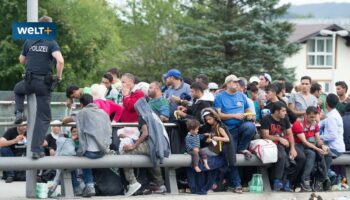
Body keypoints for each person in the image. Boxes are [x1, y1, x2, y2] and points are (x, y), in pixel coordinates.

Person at [13, 16, 64, 159]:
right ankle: (36, 150)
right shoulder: (51, 42)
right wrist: (58, 76)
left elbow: (21, 60)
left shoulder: (29, 40)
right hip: (43, 85)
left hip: (28, 82)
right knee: (43, 117)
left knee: (17, 89)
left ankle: (18, 112)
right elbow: (60, 61)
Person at [62, 94, 112, 197]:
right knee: (84, 154)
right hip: (103, 150)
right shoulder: (103, 113)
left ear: (81, 104)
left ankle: (80, 187)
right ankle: (88, 185)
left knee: (68, 155)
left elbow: (65, 120)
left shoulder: (82, 112)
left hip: (90, 152)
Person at [214, 74, 256, 193]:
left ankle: (242, 148)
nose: (237, 84)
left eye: (238, 82)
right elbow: (218, 115)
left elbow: (247, 109)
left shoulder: (241, 95)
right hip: (227, 129)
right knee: (231, 156)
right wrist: (233, 115)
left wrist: (249, 115)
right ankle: (236, 184)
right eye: (234, 82)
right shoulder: (219, 97)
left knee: (251, 127)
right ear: (227, 84)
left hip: (241, 126)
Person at [122, 98, 170, 196]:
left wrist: (133, 146)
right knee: (152, 156)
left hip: (151, 144)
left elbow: (145, 133)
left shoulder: (142, 116)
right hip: (161, 145)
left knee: (125, 153)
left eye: (136, 109)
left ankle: (132, 183)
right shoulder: (153, 115)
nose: (136, 111)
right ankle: (160, 185)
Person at [260, 102, 299, 192]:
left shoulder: (285, 119)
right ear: (277, 111)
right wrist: (279, 139)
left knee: (301, 157)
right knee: (282, 156)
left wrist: (292, 148)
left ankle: (288, 180)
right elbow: (265, 135)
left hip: (285, 143)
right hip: (272, 144)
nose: (285, 113)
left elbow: (290, 134)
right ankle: (277, 180)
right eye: (283, 111)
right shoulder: (266, 119)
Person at [291, 106, 330, 192]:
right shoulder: (298, 124)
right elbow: (304, 142)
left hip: (308, 145)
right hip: (297, 145)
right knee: (313, 153)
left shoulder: (315, 124)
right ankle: (306, 179)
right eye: (311, 117)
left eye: (315, 117)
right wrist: (317, 149)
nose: (313, 119)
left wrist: (322, 146)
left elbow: (318, 138)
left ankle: (320, 179)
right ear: (305, 115)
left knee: (327, 152)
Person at [319, 93, 346, 175]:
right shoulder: (333, 114)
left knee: (316, 155)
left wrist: (320, 137)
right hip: (337, 147)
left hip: (335, 149)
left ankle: (328, 175)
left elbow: (332, 135)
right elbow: (322, 123)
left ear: (326, 103)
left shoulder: (332, 117)